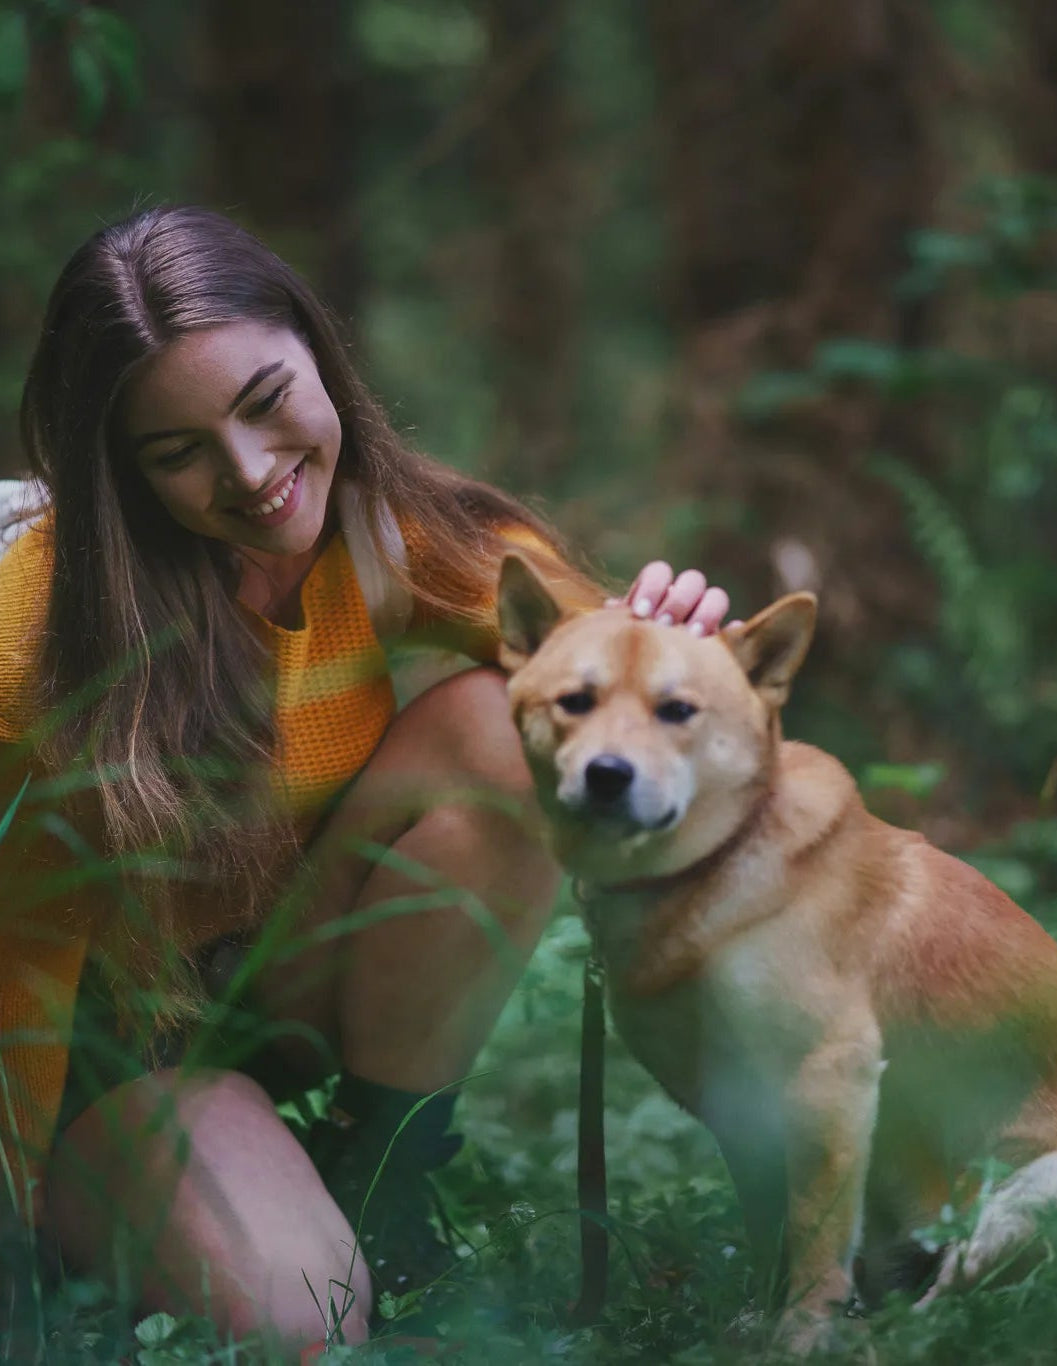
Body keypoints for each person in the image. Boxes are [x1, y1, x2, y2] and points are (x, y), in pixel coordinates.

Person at [0, 206, 730, 1348]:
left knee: (512, 717)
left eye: (265, 402)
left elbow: (623, 681)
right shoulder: (31, 628)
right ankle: (90, 1217)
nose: (251, 476)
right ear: (119, 473)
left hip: (261, 991)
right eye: (177, 452)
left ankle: (382, 1174)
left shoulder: (396, 531)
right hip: (89, 1063)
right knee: (301, 1322)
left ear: (315, 349)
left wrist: (675, 638)